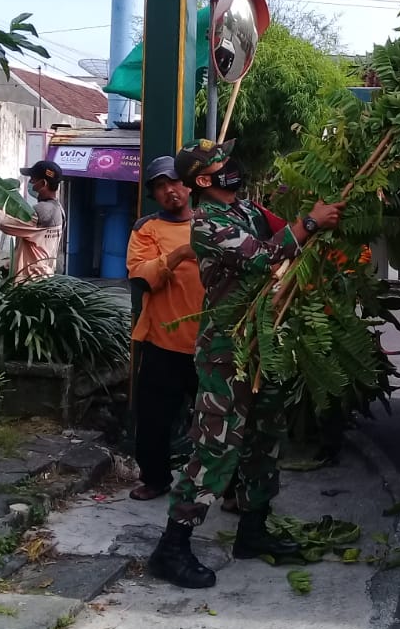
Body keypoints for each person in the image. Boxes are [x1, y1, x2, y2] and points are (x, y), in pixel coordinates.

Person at [148, 138, 344, 589]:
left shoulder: (248, 211)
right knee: (215, 446)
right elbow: (266, 257)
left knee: (264, 437)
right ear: (202, 180)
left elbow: (285, 235)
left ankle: (253, 532)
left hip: (262, 343)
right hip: (226, 350)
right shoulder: (207, 225)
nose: (230, 164)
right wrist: (310, 222)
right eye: (220, 161)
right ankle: (172, 547)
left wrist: (320, 216)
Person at [126, 155, 204, 501]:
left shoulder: (211, 223)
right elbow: (142, 277)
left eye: (175, 182)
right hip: (163, 342)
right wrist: (178, 255)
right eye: (160, 186)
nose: (170, 190)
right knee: (154, 419)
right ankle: (155, 479)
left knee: (223, 421)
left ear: (189, 185)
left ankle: (232, 488)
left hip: (212, 342)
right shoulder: (146, 229)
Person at [0, 159, 65, 278]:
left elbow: (4, 222)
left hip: (30, 282)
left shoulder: (42, 213)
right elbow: (35, 249)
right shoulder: (59, 210)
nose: (31, 183)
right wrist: (8, 267)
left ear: (43, 183)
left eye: (33, 179)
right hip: (43, 276)